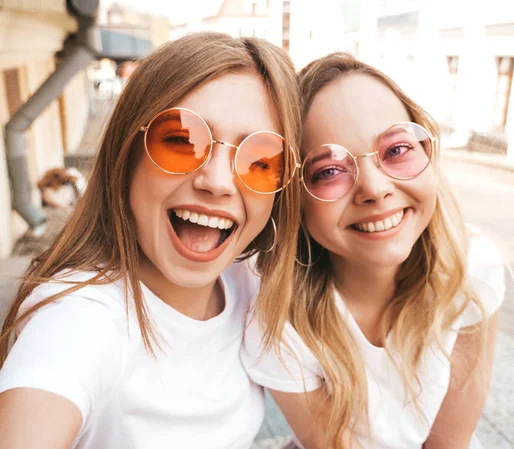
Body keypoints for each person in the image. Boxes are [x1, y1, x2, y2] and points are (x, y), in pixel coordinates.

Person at [0, 32, 302, 449]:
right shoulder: (80, 321)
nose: (217, 182)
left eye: (260, 160)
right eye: (181, 140)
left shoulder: (247, 284)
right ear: (127, 154)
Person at [243, 53, 505, 449]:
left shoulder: (472, 269)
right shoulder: (276, 319)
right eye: (329, 170)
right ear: (295, 198)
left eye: (396, 150)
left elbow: (450, 441)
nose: (375, 188)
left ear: (427, 150)